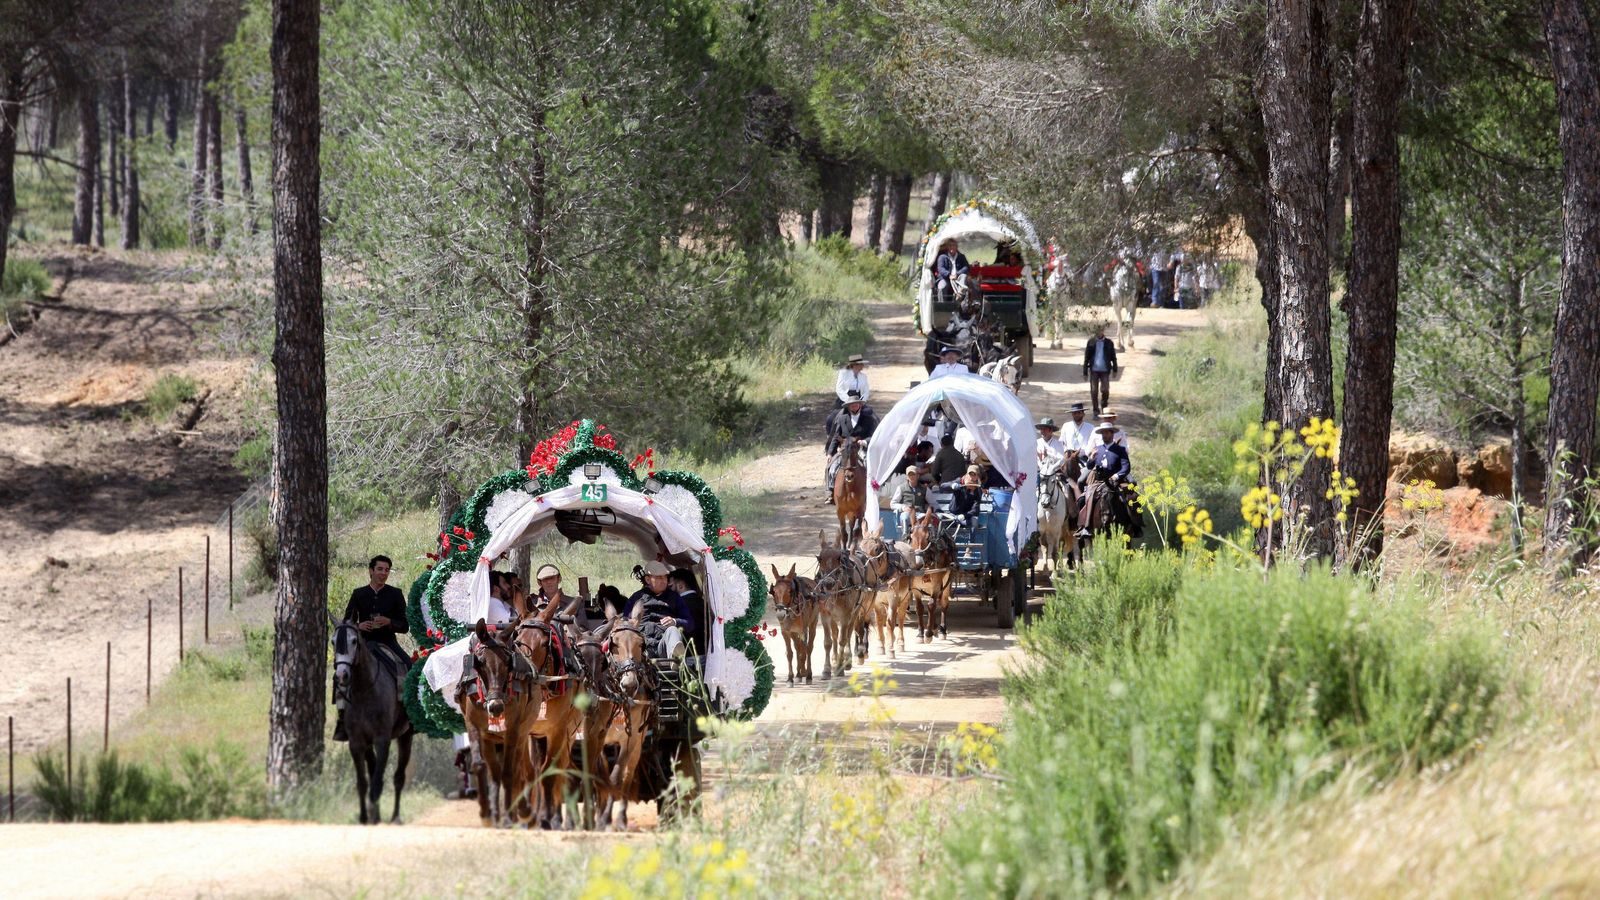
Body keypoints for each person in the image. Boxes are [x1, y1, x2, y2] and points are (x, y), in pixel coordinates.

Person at [335, 555, 410, 742]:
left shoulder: (395, 594)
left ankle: (410, 715)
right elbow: (346, 623)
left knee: (409, 665)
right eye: (380, 569)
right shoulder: (358, 594)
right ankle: (342, 718)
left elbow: (404, 626)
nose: (383, 573)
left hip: (388, 643)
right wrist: (358, 626)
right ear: (371, 571)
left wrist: (389, 622)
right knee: (339, 673)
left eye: (387, 570)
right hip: (363, 645)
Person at [627, 560, 696, 659]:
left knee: (673, 630)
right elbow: (625, 619)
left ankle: (675, 661)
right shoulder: (636, 597)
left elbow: (690, 623)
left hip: (664, 645)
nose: (664, 580)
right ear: (647, 579)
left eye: (665, 577)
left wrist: (675, 621)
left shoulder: (675, 598)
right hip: (642, 646)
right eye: (659, 577)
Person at [1076, 422, 1133, 537]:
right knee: (1085, 497)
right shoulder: (1097, 449)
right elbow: (1089, 466)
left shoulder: (1120, 450)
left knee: (1132, 497)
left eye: (1106, 432)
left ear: (1112, 434)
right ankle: (1086, 527)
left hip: (1116, 481)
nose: (1104, 435)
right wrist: (1091, 459)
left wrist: (1116, 476)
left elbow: (1126, 467)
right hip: (1099, 481)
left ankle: (1133, 525)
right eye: (1103, 433)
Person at [824, 397, 879, 503]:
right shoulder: (842, 418)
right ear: (848, 406)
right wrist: (830, 453)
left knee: (869, 465)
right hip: (845, 450)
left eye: (856, 404)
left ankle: (872, 490)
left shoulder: (868, 419)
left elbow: (873, 435)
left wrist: (864, 442)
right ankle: (830, 491)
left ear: (860, 405)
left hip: (861, 449)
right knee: (831, 467)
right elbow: (836, 436)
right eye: (852, 404)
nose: (854, 406)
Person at [669, 568, 710, 659]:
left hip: (689, 658)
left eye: (671, 586)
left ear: (680, 586)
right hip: (709, 655)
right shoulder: (705, 604)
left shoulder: (678, 606)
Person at [1083, 325, 1119, 418]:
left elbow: (1113, 357)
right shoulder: (1091, 342)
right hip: (1094, 370)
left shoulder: (1109, 343)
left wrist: (1115, 369)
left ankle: (1104, 407)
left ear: (1103, 331)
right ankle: (1096, 411)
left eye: (1101, 330)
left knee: (1105, 390)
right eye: (1097, 330)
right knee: (1094, 391)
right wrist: (1085, 372)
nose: (1099, 332)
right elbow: (1086, 357)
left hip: (1105, 370)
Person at [891, 464, 927, 532]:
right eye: (909, 475)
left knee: (927, 519)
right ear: (907, 477)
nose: (911, 477)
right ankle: (905, 536)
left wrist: (934, 510)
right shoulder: (901, 488)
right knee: (904, 517)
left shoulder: (924, 489)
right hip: (908, 513)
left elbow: (932, 502)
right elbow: (893, 503)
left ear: (918, 476)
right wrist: (903, 507)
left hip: (920, 513)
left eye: (913, 474)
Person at [933, 238, 971, 304]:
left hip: (958, 278)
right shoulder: (942, 257)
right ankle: (942, 306)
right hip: (945, 278)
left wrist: (957, 274)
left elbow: (966, 267)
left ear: (956, 247)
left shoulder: (961, 257)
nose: (952, 247)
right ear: (947, 247)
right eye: (950, 245)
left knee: (964, 277)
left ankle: (960, 296)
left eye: (953, 245)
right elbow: (941, 269)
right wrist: (949, 275)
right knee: (942, 287)